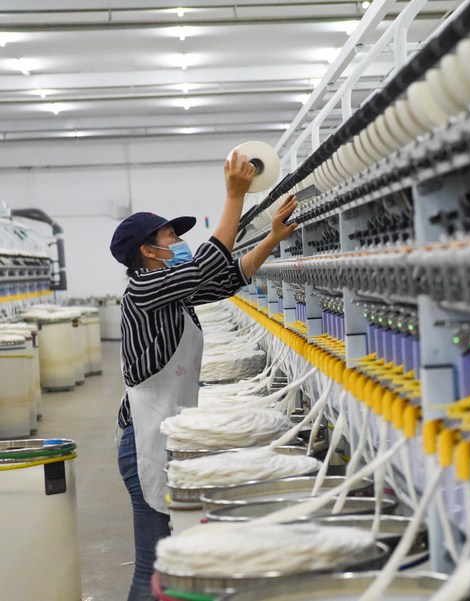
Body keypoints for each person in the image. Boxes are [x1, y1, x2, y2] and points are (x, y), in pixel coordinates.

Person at [108, 151, 298, 601]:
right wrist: (234, 197)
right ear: (147, 251)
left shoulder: (170, 290)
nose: (180, 242)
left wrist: (272, 239)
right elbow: (206, 267)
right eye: (171, 236)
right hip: (145, 442)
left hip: (165, 434)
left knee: (167, 565)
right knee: (154, 569)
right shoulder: (145, 288)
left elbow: (225, 278)